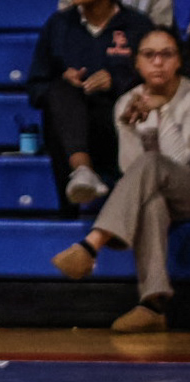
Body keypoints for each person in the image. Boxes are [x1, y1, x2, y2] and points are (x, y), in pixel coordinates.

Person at [52, 26, 190, 332]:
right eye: (149, 55)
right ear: (137, 64)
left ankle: (91, 245)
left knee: (153, 166)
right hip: (160, 188)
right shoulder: (126, 103)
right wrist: (138, 127)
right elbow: (133, 172)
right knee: (152, 203)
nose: (158, 62)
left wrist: (163, 111)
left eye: (166, 55)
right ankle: (153, 304)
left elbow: (179, 164)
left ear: (179, 61)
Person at [29, 0, 154, 211]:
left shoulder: (137, 26)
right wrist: (64, 78)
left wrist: (116, 80)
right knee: (60, 91)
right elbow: (36, 86)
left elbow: (157, 80)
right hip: (70, 126)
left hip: (121, 122)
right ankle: (82, 172)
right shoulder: (59, 25)